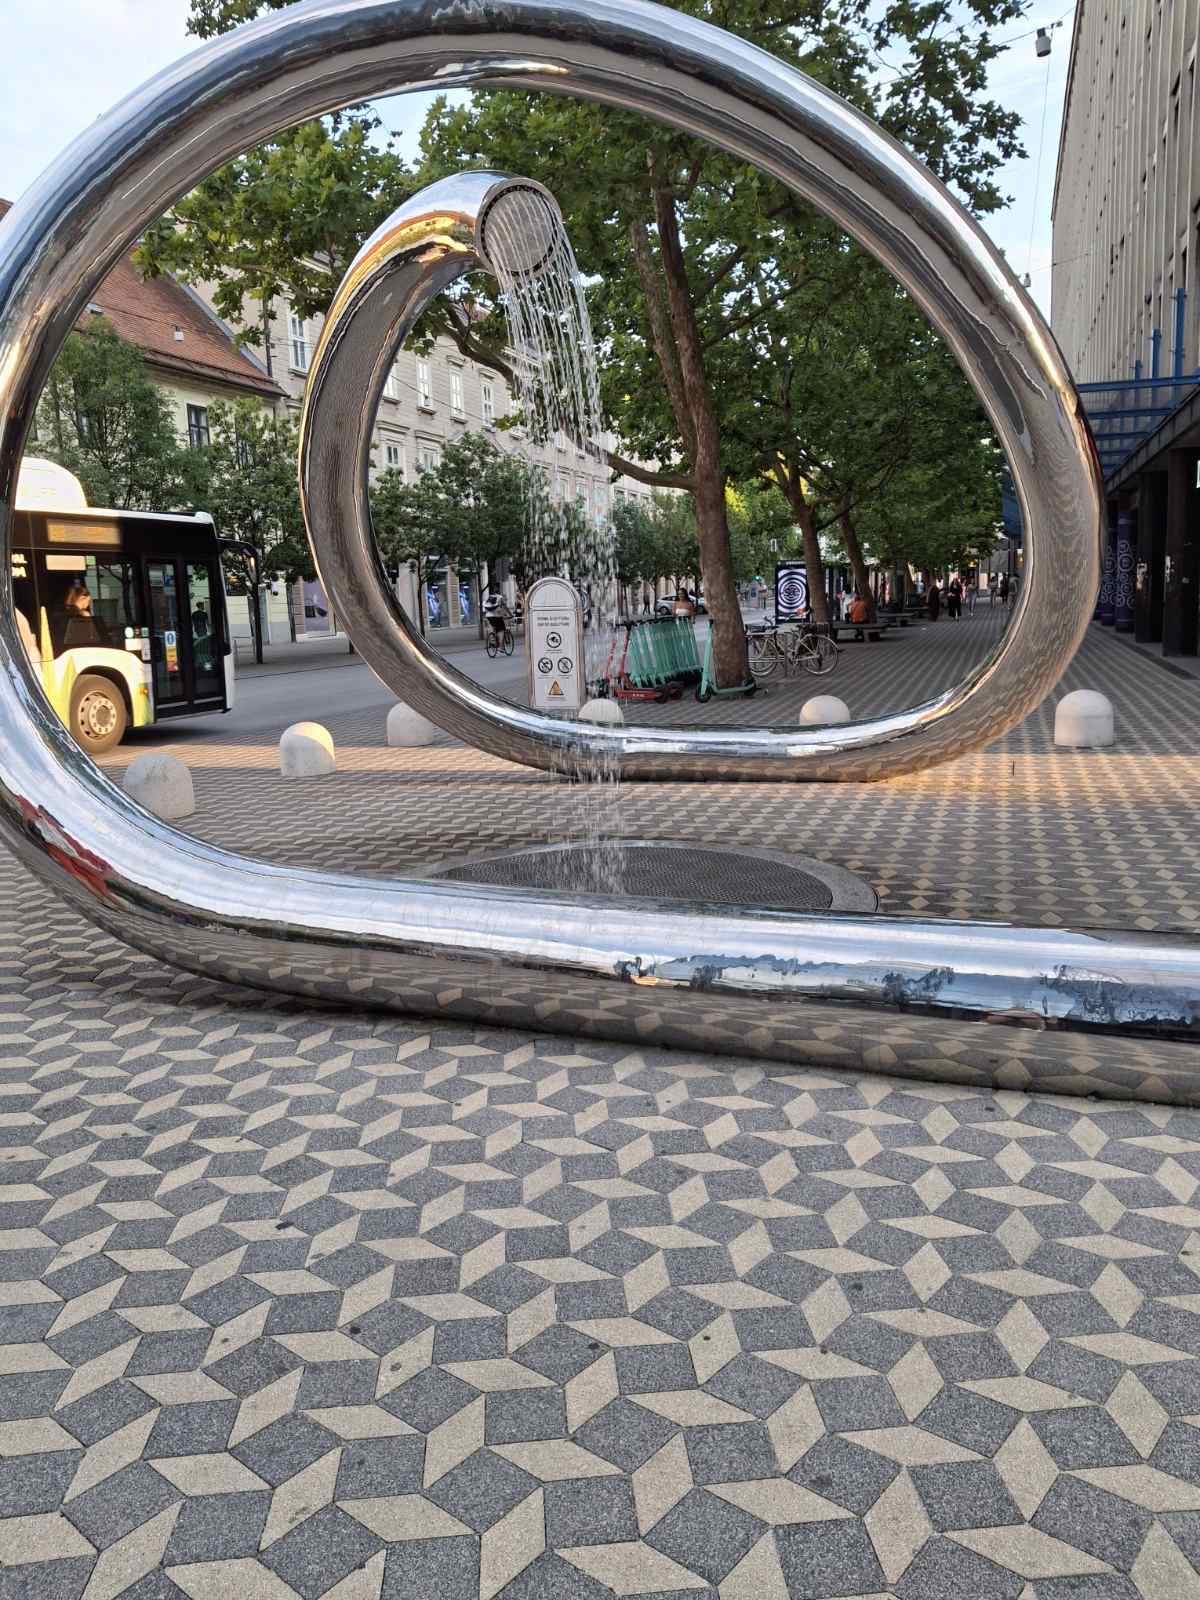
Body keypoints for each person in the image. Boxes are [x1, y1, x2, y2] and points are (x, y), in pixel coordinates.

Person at [61, 581, 107, 649]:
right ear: (82, 598)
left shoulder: (64, 611)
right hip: (82, 647)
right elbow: (90, 635)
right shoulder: (83, 614)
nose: (88, 604)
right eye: (88, 601)